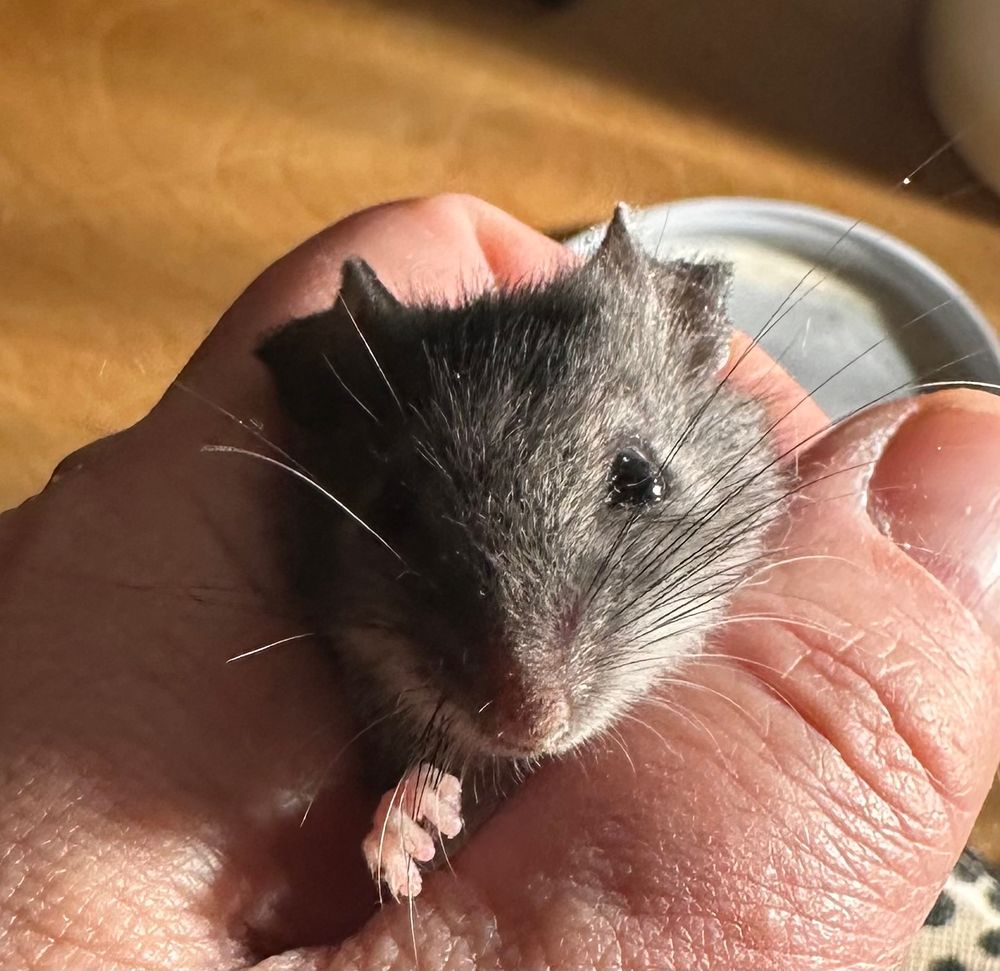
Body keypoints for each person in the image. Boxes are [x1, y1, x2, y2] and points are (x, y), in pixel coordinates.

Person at [1, 194, 997, 969]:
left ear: (688, 330)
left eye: (634, 484)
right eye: (405, 515)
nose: (527, 688)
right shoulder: (325, 654)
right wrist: (405, 807)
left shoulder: (748, 510)